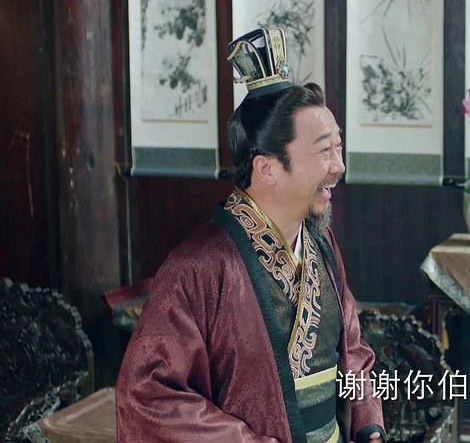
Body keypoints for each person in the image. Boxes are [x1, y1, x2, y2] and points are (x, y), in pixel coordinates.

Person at [116, 28, 385, 443]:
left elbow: (353, 348)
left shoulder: (321, 245)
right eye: (323, 151)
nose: (338, 166)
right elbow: (149, 395)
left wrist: (368, 422)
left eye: (339, 148)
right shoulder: (198, 267)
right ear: (267, 168)